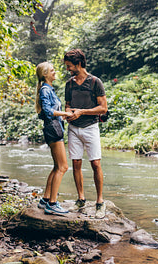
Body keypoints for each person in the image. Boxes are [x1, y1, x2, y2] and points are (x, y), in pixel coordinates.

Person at [64, 49, 108, 219]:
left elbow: (103, 108)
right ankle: (81, 199)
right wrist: (69, 113)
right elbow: (67, 105)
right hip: (73, 128)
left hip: (91, 127)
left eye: (69, 66)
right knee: (75, 164)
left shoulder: (95, 82)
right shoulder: (69, 84)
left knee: (96, 164)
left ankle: (99, 202)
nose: (68, 69)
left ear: (79, 64)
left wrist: (81, 112)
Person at [35, 62, 72, 215]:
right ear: (45, 74)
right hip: (53, 129)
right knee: (63, 167)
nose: (54, 72)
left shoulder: (48, 89)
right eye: (52, 70)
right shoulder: (45, 89)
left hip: (54, 128)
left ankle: (45, 199)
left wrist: (66, 114)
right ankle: (52, 204)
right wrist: (65, 114)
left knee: (57, 167)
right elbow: (48, 111)